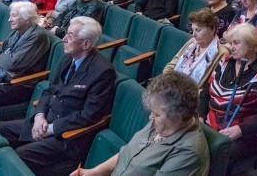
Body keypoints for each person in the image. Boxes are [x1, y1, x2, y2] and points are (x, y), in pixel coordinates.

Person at [0, 16, 116, 175]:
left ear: (86, 44)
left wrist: (51, 129)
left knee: (15, 158)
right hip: (43, 121)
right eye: (66, 33)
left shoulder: (103, 71)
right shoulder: (67, 57)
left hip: (66, 137)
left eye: (70, 35)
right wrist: (39, 116)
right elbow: (50, 90)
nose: (64, 38)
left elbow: (88, 115)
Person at [70, 71, 210, 176]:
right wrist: (92, 172)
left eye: (156, 114)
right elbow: (127, 154)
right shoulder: (163, 123)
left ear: (178, 116)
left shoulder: (189, 152)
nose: (150, 118)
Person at [198, 23, 257, 166]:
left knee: (209, 156)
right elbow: (206, 91)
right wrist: (200, 116)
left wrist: (241, 130)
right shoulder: (225, 62)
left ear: (251, 44)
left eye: (236, 43)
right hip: (209, 125)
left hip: (243, 135)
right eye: (229, 43)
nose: (231, 47)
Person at [0, 2, 50, 111]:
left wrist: (4, 58)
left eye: (14, 16)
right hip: (4, 77)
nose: (9, 20)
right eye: (10, 15)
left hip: (21, 85)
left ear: (27, 18)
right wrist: (4, 61)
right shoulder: (17, 31)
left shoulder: (37, 36)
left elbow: (13, 64)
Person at [164, 9, 228, 87]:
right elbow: (171, 65)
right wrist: (168, 81)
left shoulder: (222, 53)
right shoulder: (191, 42)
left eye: (198, 30)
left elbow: (210, 88)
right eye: (192, 30)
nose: (194, 34)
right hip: (172, 86)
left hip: (192, 96)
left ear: (212, 29)